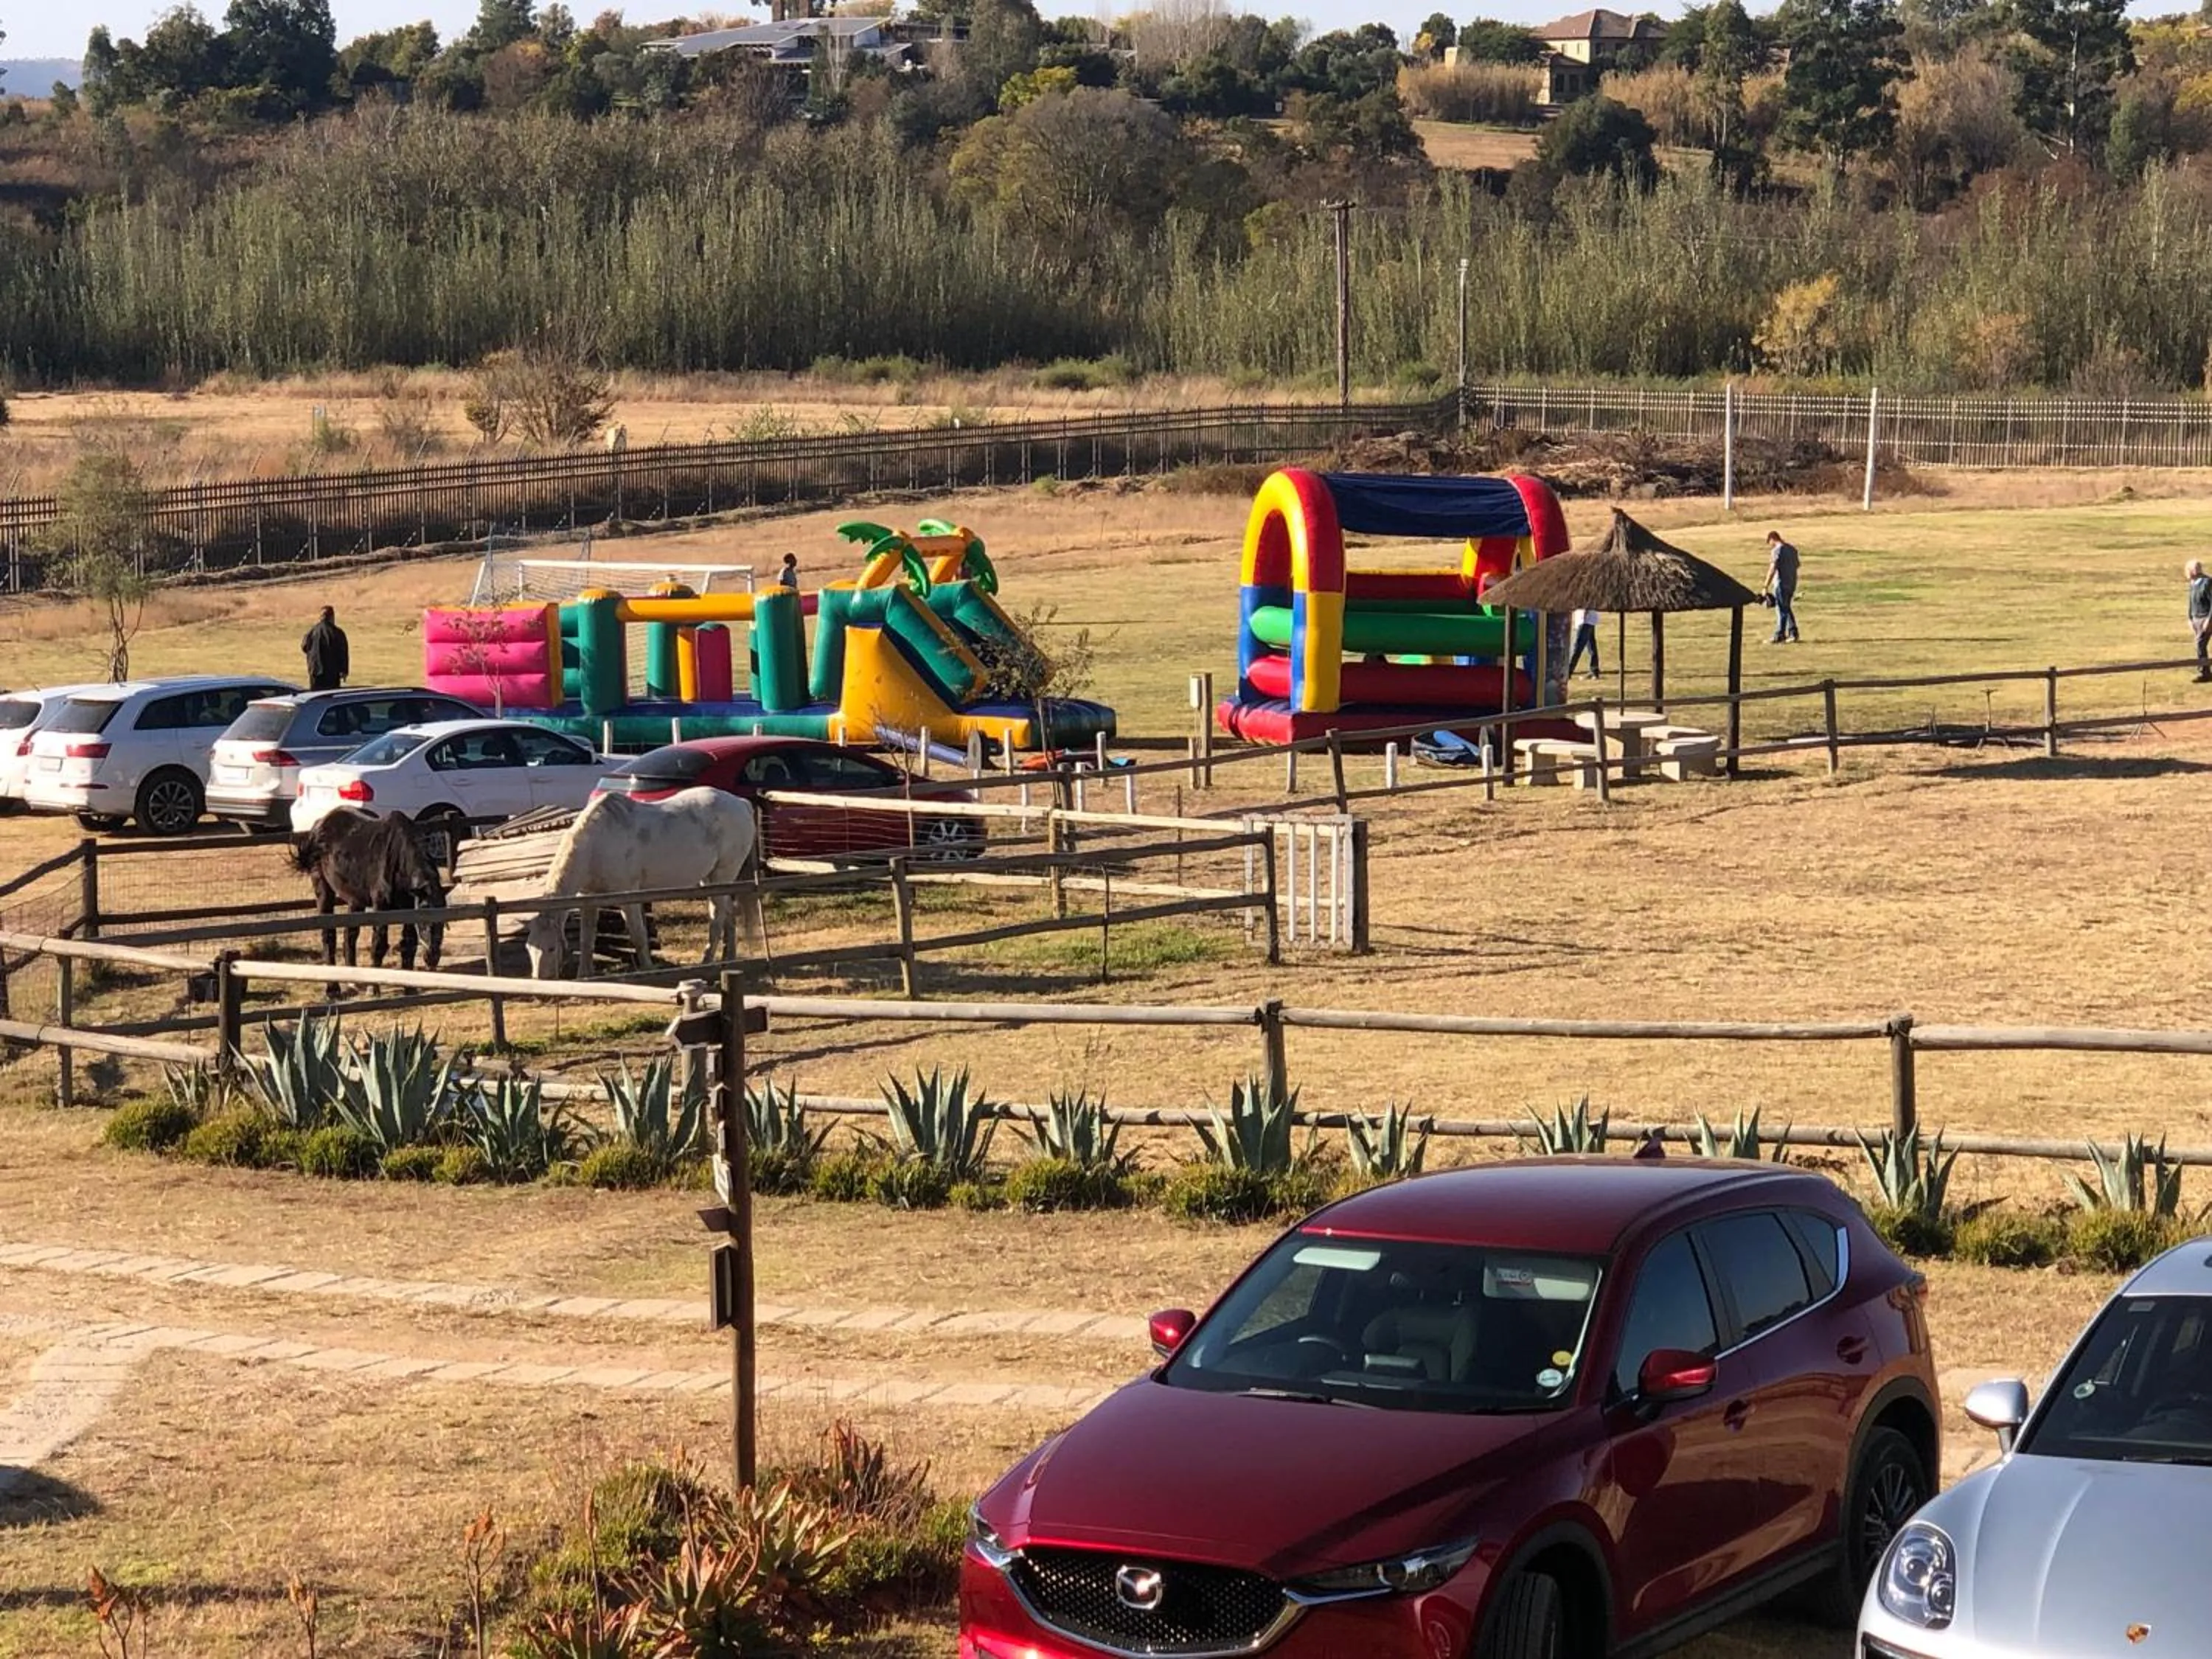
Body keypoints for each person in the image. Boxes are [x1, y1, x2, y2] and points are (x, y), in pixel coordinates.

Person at [302, 605, 349, 692]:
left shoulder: (312, 631)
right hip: (332, 672)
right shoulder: (337, 633)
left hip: (315, 671)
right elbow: (343, 652)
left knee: (316, 697)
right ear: (332, 617)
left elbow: (304, 647)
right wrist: (344, 670)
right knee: (331, 697)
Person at [1764, 531, 1801, 644]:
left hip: (1780, 583)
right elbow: (1797, 565)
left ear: (1772, 539)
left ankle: (1780, 635)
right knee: (1786, 607)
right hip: (1792, 582)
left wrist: (1765, 585)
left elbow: (1773, 569)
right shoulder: (1792, 549)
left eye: (1770, 543)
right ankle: (1793, 633)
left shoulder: (1777, 550)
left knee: (1781, 609)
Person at [2188, 560, 2212, 683]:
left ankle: (2205, 673)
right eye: (2194, 568)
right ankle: (2205, 671)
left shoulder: (2207, 582)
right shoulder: (2193, 583)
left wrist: (2209, 619)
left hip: (2205, 618)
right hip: (2196, 618)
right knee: (2199, 645)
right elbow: (2191, 602)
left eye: (2198, 567)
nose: (2196, 570)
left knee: (2200, 644)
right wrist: (2190, 618)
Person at [1568, 607, 1601, 678]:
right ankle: (1594, 670)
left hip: (1585, 620)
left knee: (1577, 647)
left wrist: (1585, 613)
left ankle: (1568, 671)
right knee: (1591, 646)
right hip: (1588, 620)